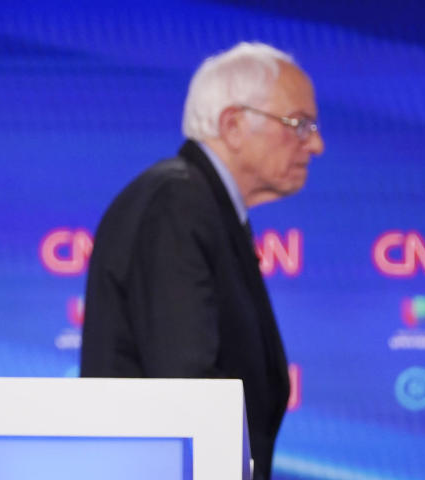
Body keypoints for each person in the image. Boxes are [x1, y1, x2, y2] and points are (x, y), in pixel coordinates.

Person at [79, 42, 324, 480]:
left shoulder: (204, 205)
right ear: (232, 125)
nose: (316, 144)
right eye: (299, 124)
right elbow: (188, 392)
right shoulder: (178, 203)